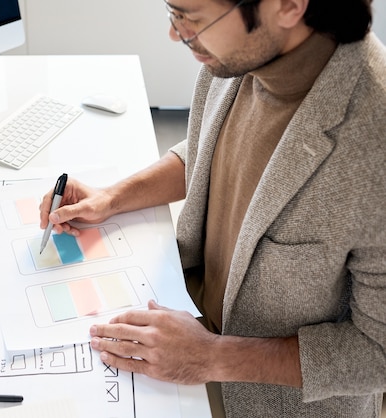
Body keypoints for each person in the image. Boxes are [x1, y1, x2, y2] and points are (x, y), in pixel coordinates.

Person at [39, 0, 386, 416]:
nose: (177, 33)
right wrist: (112, 197)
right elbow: (209, 152)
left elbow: (377, 350)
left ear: (289, 6)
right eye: (174, 13)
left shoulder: (374, 143)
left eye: (192, 16)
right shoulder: (237, 55)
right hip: (181, 323)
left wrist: (211, 357)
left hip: (267, 399)